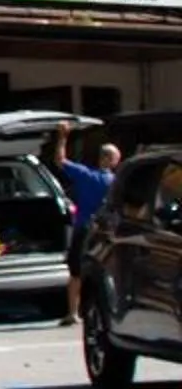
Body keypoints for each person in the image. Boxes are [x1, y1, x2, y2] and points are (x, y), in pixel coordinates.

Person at [45, 125, 120, 320]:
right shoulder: (116, 182)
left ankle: (73, 313)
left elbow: (59, 161)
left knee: (76, 272)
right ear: (113, 161)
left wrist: (62, 136)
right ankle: (110, 311)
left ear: (102, 158)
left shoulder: (86, 175)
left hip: (83, 228)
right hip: (106, 232)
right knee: (106, 270)